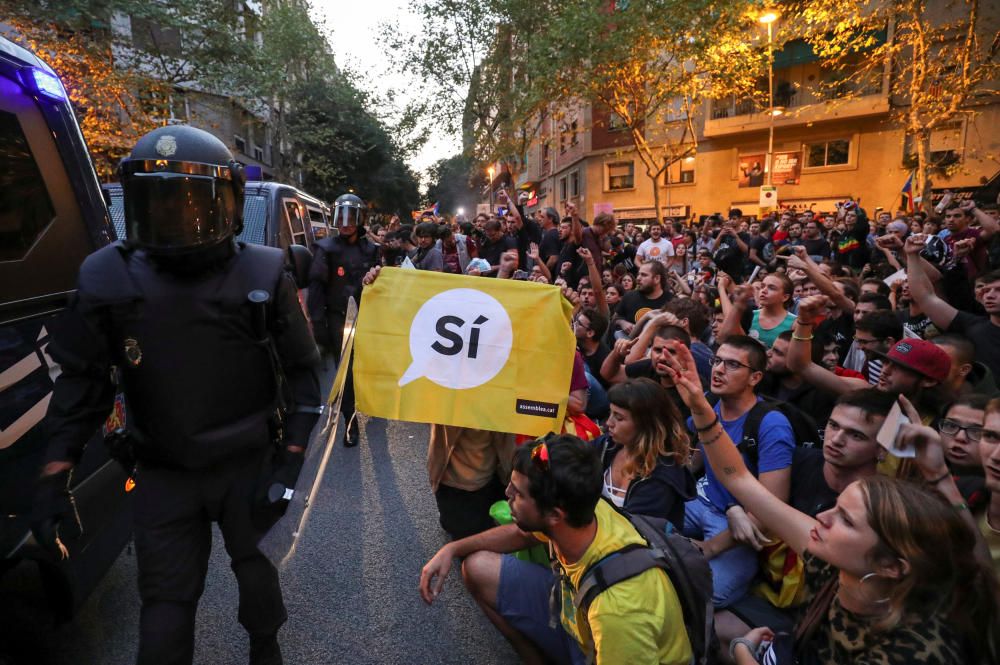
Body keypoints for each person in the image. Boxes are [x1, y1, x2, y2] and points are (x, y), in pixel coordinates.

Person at [31, 125, 322, 665]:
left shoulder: (261, 270)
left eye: (189, 203)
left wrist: (288, 466)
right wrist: (54, 475)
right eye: (158, 202)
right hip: (162, 468)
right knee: (165, 601)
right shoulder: (108, 276)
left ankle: (265, 646)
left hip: (246, 463)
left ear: (227, 202)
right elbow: (84, 386)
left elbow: (304, 376)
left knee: (256, 571)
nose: (175, 218)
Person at [662, 341, 1000, 665]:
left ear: (892, 566)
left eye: (847, 520)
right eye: (833, 427)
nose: (823, 516)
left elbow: (980, 579)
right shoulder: (836, 569)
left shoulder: (915, 649)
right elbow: (739, 479)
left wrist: (745, 657)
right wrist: (700, 406)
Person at [419, 436, 694, 665]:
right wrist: (453, 549)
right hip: (578, 619)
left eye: (518, 494)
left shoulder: (619, 611)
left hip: (604, 640)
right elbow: (520, 534)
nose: (506, 494)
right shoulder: (584, 507)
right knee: (476, 567)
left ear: (554, 515)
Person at [683, 335, 796, 608]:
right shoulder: (710, 403)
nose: (719, 369)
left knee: (707, 593)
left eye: (732, 365)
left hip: (739, 524)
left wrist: (709, 548)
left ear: (755, 378)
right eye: (717, 360)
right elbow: (695, 461)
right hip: (700, 501)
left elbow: (770, 511)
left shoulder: (771, 425)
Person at [308, 192, 378, 447]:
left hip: (369, 320)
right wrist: (318, 325)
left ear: (360, 219)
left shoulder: (372, 250)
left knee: (369, 368)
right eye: (341, 216)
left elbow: (383, 286)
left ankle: (374, 404)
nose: (345, 222)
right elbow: (316, 289)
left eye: (351, 216)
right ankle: (350, 422)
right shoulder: (325, 248)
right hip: (339, 320)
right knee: (347, 374)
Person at [593, 379, 695, 528]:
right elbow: (571, 453)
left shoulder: (663, 475)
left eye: (619, 417)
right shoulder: (609, 445)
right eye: (610, 413)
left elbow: (631, 530)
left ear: (646, 425)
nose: (609, 423)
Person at [616, 261, 672, 335]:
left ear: (657, 278)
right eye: (638, 274)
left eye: (644, 275)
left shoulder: (672, 302)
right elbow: (615, 318)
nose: (638, 278)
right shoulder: (629, 296)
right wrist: (622, 322)